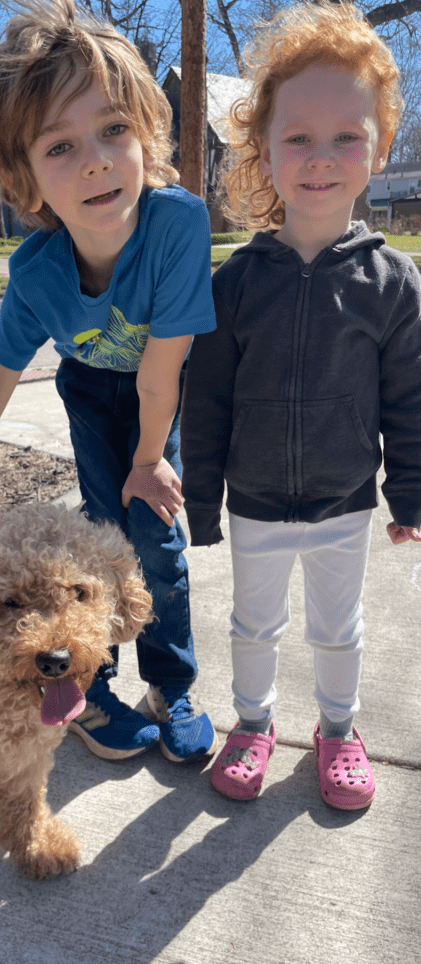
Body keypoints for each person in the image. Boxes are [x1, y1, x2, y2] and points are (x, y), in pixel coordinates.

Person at [0, 0, 219, 765]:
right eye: (60, 146)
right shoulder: (36, 277)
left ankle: (172, 683)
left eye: (113, 130)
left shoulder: (177, 225)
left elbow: (163, 371)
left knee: (156, 544)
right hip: (94, 394)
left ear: (146, 136)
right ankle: (86, 692)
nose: (96, 159)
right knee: (96, 550)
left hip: (161, 400)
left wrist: (150, 460)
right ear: (22, 176)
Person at [180, 1, 421, 809]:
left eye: (346, 136)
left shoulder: (393, 285)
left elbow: (410, 399)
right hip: (253, 500)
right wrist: (204, 501)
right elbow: (206, 399)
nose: (322, 157)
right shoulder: (236, 283)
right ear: (265, 148)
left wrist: (411, 493)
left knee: (338, 628)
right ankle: (252, 724)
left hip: (344, 502)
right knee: (253, 627)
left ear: (379, 147)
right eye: (298, 137)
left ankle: (339, 730)